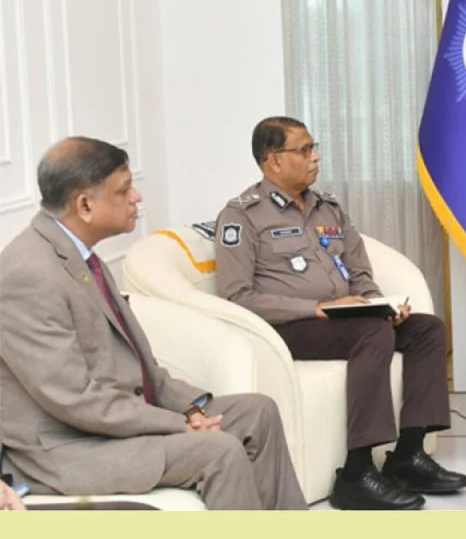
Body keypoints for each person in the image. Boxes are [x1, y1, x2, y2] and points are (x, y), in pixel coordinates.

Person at [0, 138, 306, 510]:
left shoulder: (79, 256)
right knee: (218, 451)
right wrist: (178, 425)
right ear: (84, 205)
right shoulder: (28, 275)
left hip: (111, 423)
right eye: (124, 189)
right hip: (66, 449)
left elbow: (142, 370)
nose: (137, 197)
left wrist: (190, 408)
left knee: (258, 412)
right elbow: (74, 399)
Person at [215, 116, 466, 511]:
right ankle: (356, 473)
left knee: (427, 330)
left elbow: (359, 271)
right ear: (273, 160)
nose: (315, 157)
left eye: (313, 148)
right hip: (289, 329)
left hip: (344, 320)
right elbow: (238, 297)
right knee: (372, 334)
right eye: (304, 150)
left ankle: (408, 456)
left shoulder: (328, 208)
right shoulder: (242, 216)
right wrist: (316, 309)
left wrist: (380, 304)